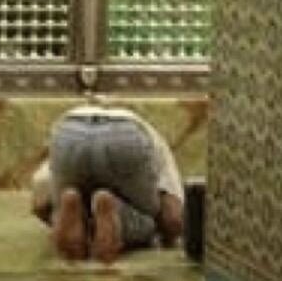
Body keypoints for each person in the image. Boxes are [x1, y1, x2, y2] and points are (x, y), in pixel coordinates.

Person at [30, 103, 184, 263]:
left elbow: (39, 199)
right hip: (125, 137)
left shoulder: (73, 121)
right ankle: (115, 213)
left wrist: (53, 216)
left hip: (69, 131)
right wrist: (167, 236)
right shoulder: (153, 140)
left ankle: (80, 219)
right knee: (147, 222)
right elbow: (173, 218)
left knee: (63, 207)